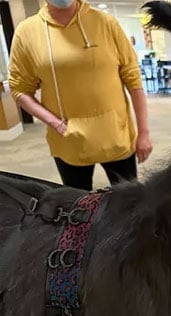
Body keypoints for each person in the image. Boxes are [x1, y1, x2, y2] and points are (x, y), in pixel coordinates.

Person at [9, 0, 152, 191]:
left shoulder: (106, 23)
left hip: (116, 136)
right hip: (69, 140)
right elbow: (19, 90)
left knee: (129, 203)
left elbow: (134, 82)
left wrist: (144, 133)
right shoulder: (27, 32)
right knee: (77, 207)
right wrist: (54, 122)